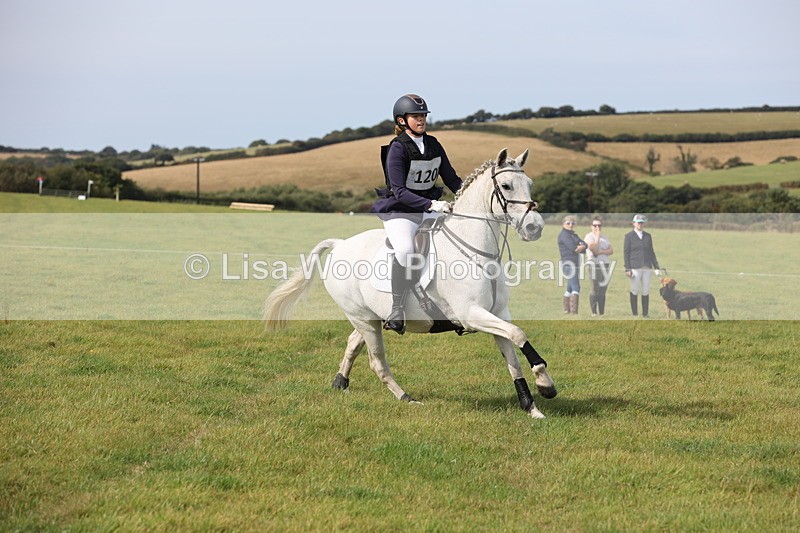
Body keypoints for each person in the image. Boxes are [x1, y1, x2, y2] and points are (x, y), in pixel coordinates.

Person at [370, 94, 463, 334]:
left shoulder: (433, 144)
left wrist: (466, 198)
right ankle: (396, 309)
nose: (421, 120)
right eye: (416, 116)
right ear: (402, 120)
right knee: (405, 250)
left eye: (423, 115)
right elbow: (399, 191)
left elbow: (451, 178)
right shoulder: (397, 148)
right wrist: (431, 205)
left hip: (429, 208)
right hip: (401, 212)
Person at [623, 214, 661, 317]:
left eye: (641, 222)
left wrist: (656, 267)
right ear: (634, 223)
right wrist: (627, 268)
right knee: (634, 289)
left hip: (647, 267)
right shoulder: (629, 236)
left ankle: (645, 313)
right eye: (638, 222)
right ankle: (634, 313)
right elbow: (626, 253)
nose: (640, 224)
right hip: (635, 266)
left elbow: (651, 252)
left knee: (645, 290)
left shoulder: (648, 236)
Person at [583, 216, 613, 316]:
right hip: (594, 265)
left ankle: (601, 313)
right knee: (595, 289)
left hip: (605, 264)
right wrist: (597, 237)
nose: (597, 227)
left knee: (603, 289)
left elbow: (611, 250)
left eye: (599, 225)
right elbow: (593, 250)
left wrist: (601, 252)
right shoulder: (589, 236)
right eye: (595, 225)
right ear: (591, 226)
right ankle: (594, 312)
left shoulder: (605, 237)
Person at [557, 215, 587, 314]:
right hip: (568, 264)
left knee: (569, 287)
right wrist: (580, 247)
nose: (570, 225)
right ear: (563, 224)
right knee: (576, 287)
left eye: (572, 223)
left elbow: (584, 244)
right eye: (568, 223)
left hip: (576, 263)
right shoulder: (564, 235)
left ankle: (566, 310)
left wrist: (582, 246)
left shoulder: (573, 234)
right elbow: (572, 247)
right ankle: (574, 312)